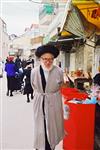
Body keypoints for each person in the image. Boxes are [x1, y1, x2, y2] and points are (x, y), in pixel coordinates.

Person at [31, 44, 65, 150]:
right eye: (45, 59)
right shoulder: (34, 71)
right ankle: (40, 146)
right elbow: (34, 86)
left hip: (54, 101)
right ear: (40, 59)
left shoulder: (59, 71)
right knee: (41, 126)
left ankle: (52, 146)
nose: (47, 62)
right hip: (40, 101)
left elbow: (61, 85)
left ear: (54, 59)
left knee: (53, 126)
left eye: (50, 59)